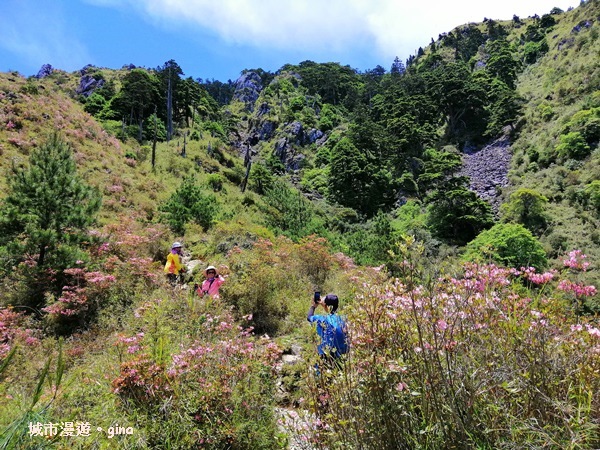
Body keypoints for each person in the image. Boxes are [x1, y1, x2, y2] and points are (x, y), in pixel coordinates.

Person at [307, 293, 348, 365]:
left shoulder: (322, 319)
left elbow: (309, 317)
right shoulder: (344, 319)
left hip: (327, 356)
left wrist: (313, 306)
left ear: (326, 305)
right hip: (343, 357)